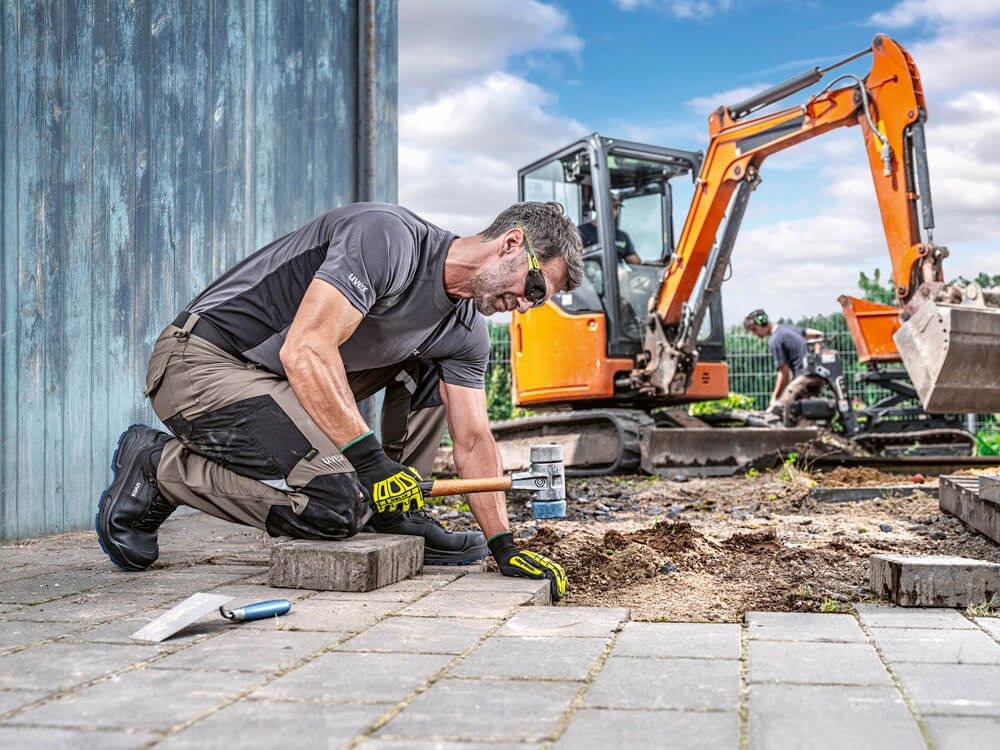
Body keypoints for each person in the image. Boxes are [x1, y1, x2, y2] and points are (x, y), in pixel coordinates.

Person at [96, 201, 582, 601]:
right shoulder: (388, 239)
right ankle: (159, 467)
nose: (524, 305)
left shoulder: (464, 329)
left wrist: (504, 544)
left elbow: (474, 437)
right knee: (335, 505)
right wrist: (369, 466)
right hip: (201, 364)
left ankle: (398, 511)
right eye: (533, 288)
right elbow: (305, 349)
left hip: (281, 384)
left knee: (433, 363)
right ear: (511, 243)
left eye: (537, 302)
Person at [743, 309, 825, 422]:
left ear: (762, 323)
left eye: (754, 330)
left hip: (805, 377)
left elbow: (784, 373)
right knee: (801, 411)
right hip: (818, 375)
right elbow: (819, 335)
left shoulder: (775, 340)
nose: (755, 334)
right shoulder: (787, 329)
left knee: (780, 409)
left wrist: (774, 398)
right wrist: (817, 356)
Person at [577, 194, 641, 264]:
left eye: (615, 208)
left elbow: (634, 260)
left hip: (617, 273)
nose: (613, 211)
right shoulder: (580, 232)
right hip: (592, 273)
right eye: (609, 207)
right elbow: (574, 259)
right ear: (597, 207)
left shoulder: (622, 236)